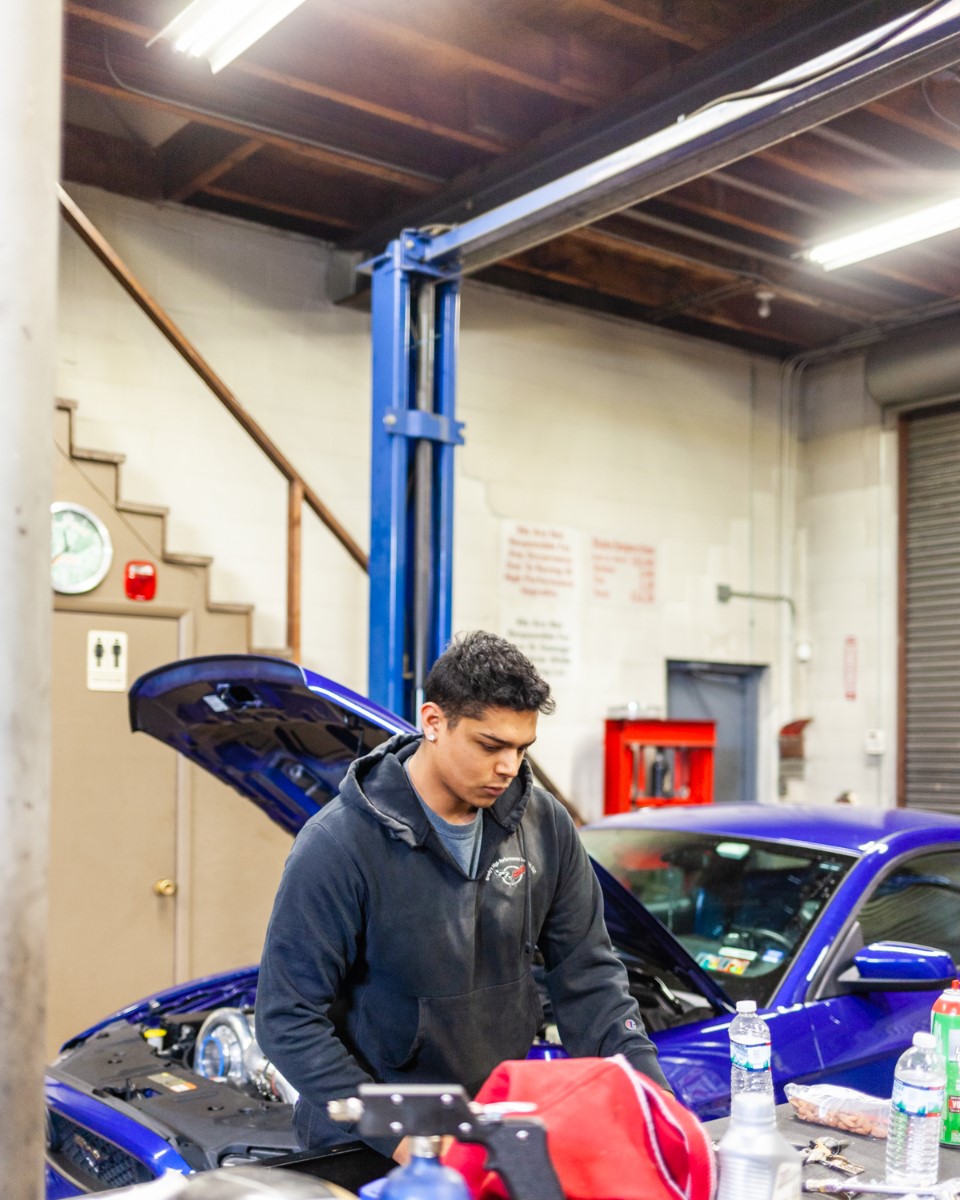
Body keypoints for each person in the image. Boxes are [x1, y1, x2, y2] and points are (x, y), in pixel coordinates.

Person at [256, 630, 670, 1163]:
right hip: (369, 1146)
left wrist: (653, 1104)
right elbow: (287, 1019)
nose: (509, 767)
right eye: (490, 746)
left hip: (487, 1122)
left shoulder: (545, 826)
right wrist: (405, 1137)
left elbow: (589, 980)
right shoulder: (338, 845)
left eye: (522, 748)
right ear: (433, 722)